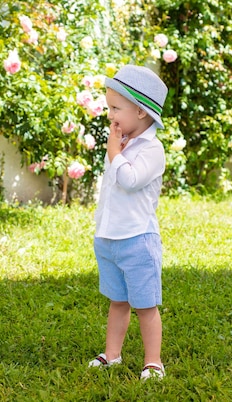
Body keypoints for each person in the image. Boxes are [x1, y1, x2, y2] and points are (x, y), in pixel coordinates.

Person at [88, 65, 168, 380]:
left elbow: (130, 180)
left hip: (137, 240)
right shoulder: (126, 145)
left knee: (145, 305)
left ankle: (153, 361)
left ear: (141, 111)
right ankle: (112, 354)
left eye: (116, 108)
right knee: (117, 301)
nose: (110, 115)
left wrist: (113, 154)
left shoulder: (152, 149)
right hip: (110, 238)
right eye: (109, 107)